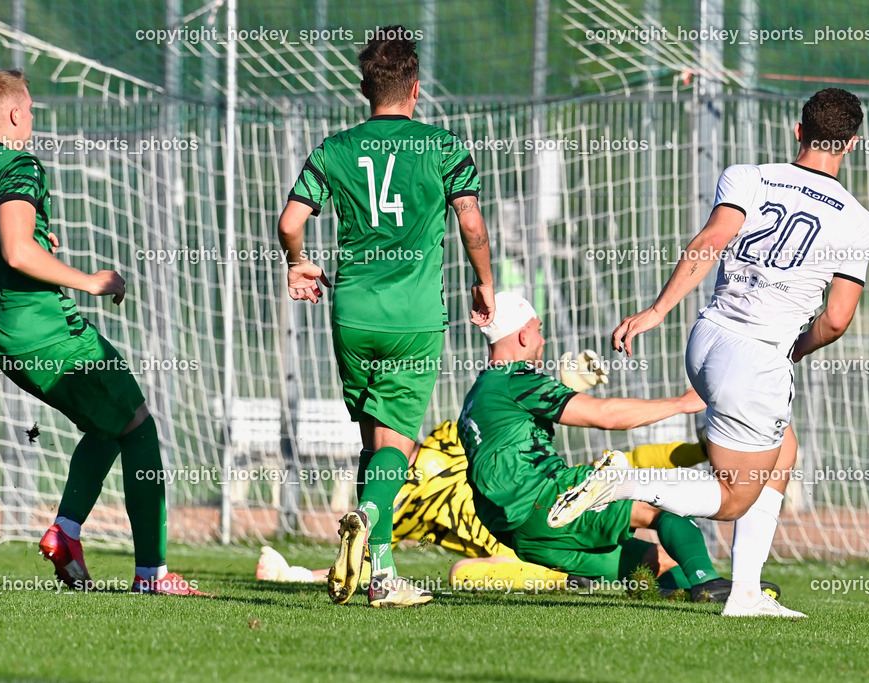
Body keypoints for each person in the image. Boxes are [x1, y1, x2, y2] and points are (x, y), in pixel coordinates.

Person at [559, 88, 869, 617]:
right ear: (853, 144)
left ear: (797, 130)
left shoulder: (748, 176)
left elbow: (709, 241)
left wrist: (656, 312)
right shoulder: (856, 218)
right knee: (733, 498)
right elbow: (838, 318)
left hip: (707, 340)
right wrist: (796, 348)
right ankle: (624, 482)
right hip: (756, 358)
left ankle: (747, 593)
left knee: (784, 452)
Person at [0, 68, 203, 595]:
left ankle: (66, 532)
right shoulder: (20, 165)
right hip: (50, 331)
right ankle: (152, 575)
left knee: (106, 426)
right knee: (139, 427)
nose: (33, 120)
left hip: (2, 338)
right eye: (31, 109)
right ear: (17, 112)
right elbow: (19, 250)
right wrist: (89, 280)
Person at [277, 26, 494, 607]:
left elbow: (290, 223)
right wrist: (485, 283)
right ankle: (370, 518)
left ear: (365, 88)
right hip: (413, 316)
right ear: (416, 89)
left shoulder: (333, 149)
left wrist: (298, 264)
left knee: (373, 442)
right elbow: (471, 224)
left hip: (352, 314)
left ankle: (380, 574)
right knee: (397, 445)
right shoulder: (443, 148)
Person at [258, 418, 781, 603]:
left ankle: (707, 565)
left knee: (640, 485)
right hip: (517, 551)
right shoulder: (400, 504)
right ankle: (697, 581)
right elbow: (369, 556)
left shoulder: (450, 435)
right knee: (465, 572)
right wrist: (307, 572)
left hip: (544, 508)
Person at [456, 291, 744, 599]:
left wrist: (565, 388)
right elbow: (605, 416)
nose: (542, 340)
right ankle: (708, 581)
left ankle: (698, 593)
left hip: (518, 534)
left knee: (656, 563)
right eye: (538, 330)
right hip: (548, 500)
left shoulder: (477, 396)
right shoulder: (513, 378)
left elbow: (511, 442)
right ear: (524, 335)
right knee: (663, 504)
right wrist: (682, 403)